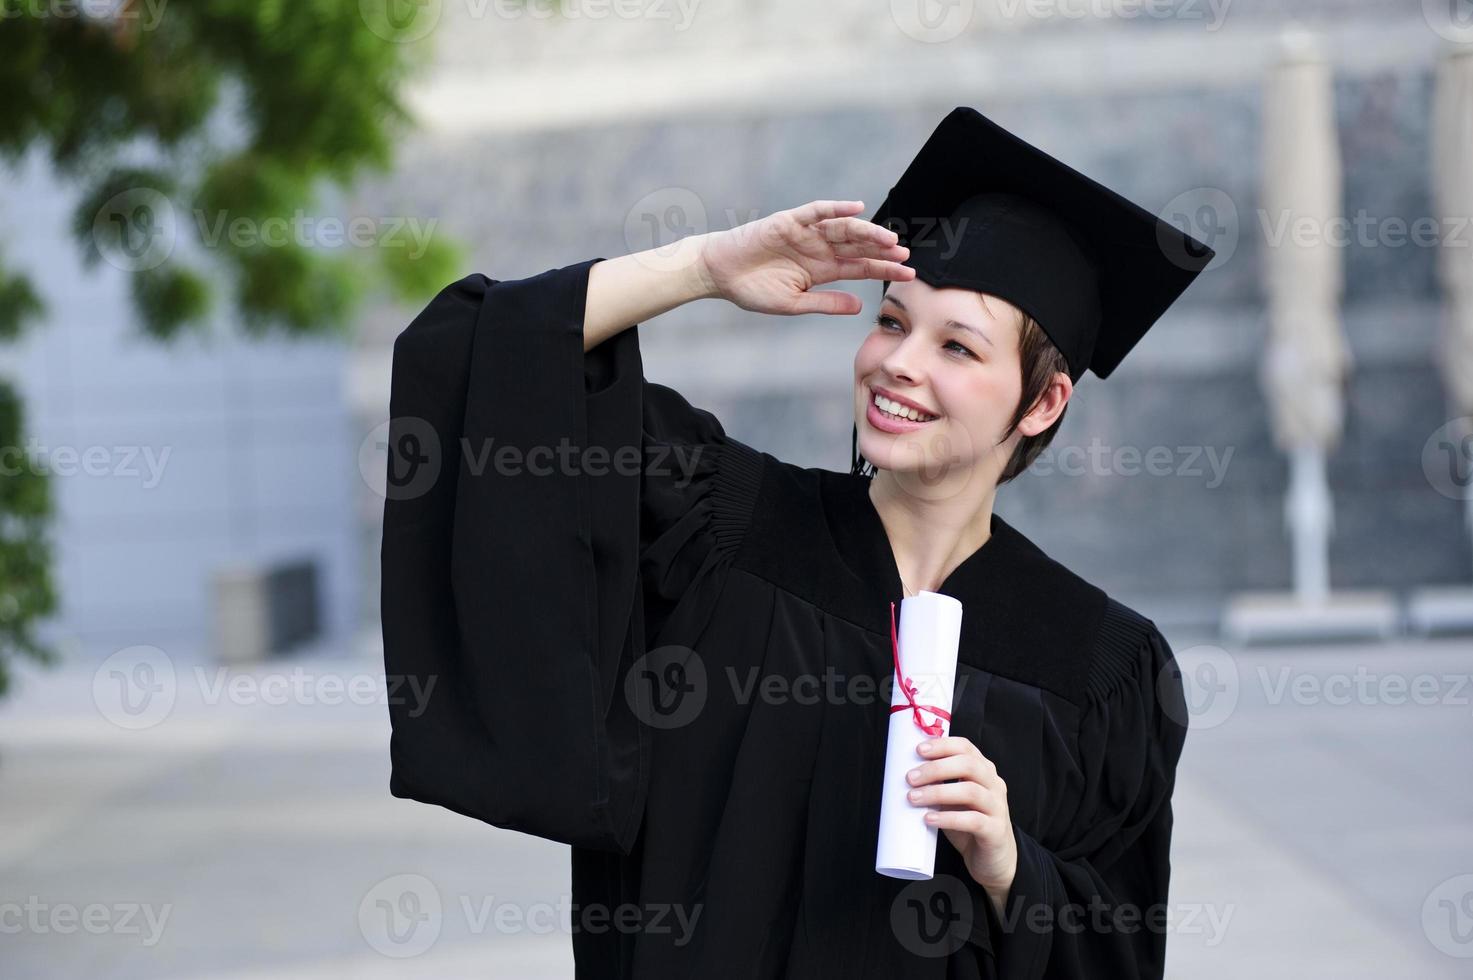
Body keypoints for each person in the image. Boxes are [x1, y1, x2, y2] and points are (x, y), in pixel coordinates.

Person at [380, 107, 1215, 979]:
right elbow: (492, 361)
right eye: (890, 322)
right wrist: (704, 266)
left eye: (956, 346)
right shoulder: (716, 526)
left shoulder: (1100, 667)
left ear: (1041, 404)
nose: (898, 362)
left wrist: (1010, 867)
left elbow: (1117, 953)